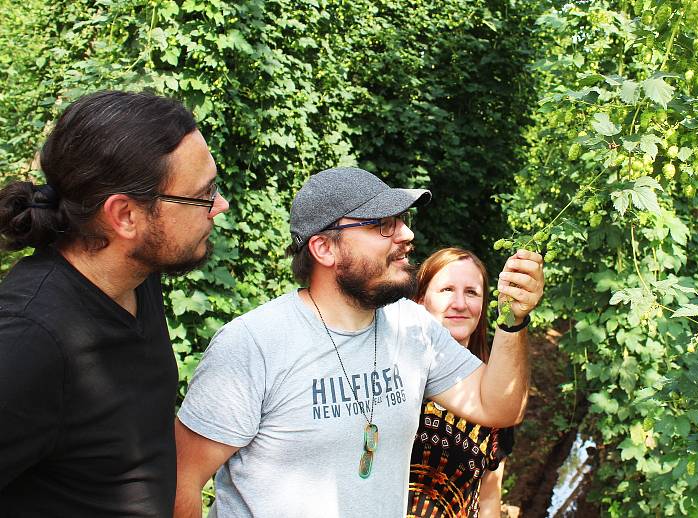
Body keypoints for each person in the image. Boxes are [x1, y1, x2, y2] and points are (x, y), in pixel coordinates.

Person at [174, 166, 544, 518]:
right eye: (383, 225)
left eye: (402, 221)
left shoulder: (412, 326)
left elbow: (498, 406)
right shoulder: (253, 345)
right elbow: (181, 482)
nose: (406, 235)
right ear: (324, 249)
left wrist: (513, 322)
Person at [0, 90, 229, 517]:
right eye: (203, 194)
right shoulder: (29, 339)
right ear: (124, 215)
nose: (220, 206)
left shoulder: (138, 277)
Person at [408, 248, 515, 518]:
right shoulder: (394, 379)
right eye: (446, 290)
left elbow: (489, 494)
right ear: (420, 301)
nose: (459, 303)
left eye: (471, 292)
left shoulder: (493, 396)